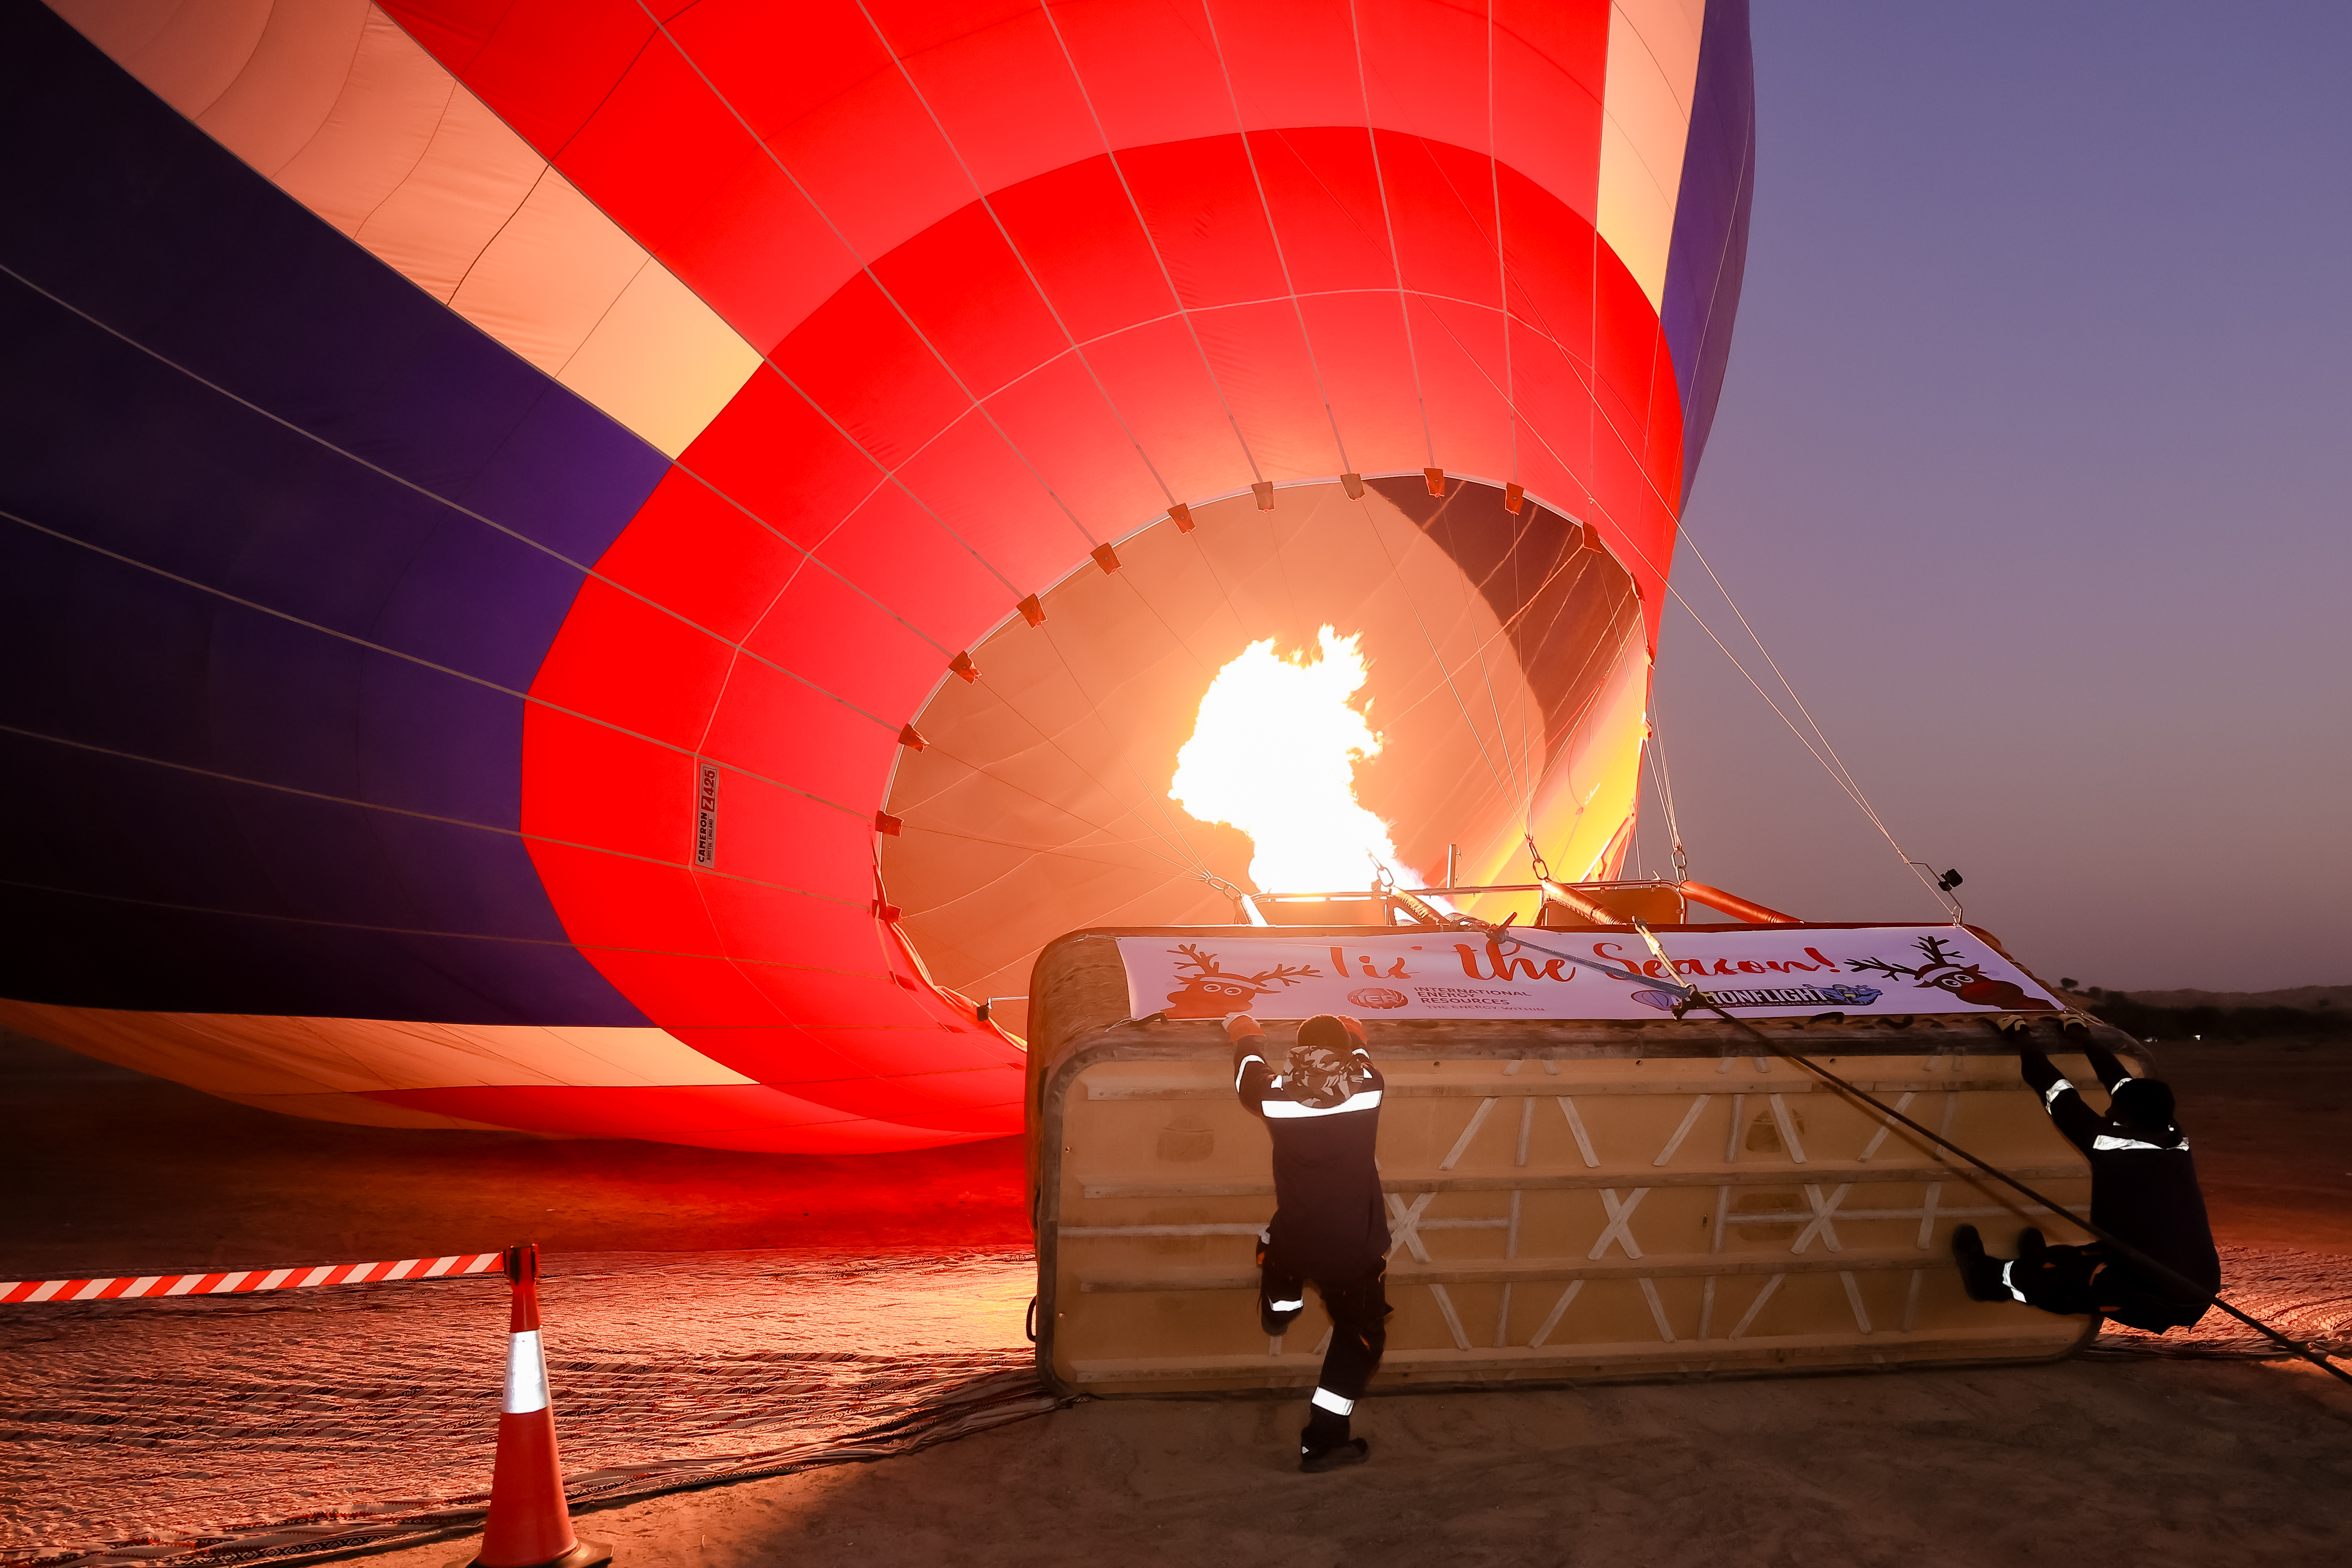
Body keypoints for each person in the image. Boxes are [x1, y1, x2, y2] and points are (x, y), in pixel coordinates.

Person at [1952, 1037, 2219, 1332]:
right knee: (2073, 1258)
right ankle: (2037, 1265)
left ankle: (1989, 1278)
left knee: (2062, 1283)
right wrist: (2087, 1040)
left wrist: (2024, 1041)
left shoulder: (2107, 1144)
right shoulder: (2172, 1135)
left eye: (2114, 1109)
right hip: (2192, 1279)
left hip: (2157, 1295)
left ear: (2129, 1118)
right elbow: (2122, 1083)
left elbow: (2056, 1091)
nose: (2107, 1113)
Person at [1227, 1011, 1391, 1472]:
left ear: (1297, 1052)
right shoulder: (1369, 1086)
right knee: (1360, 1337)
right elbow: (1360, 1054)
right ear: (1343, 1051)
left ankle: (1279, 1306)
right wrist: (1354, 1030)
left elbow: (1247, 1067)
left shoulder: (1271, 1093)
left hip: (1295, 1234)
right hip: (1350, 1250)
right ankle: (1323, 1441)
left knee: (1279, 1246)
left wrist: (1245, 1030)